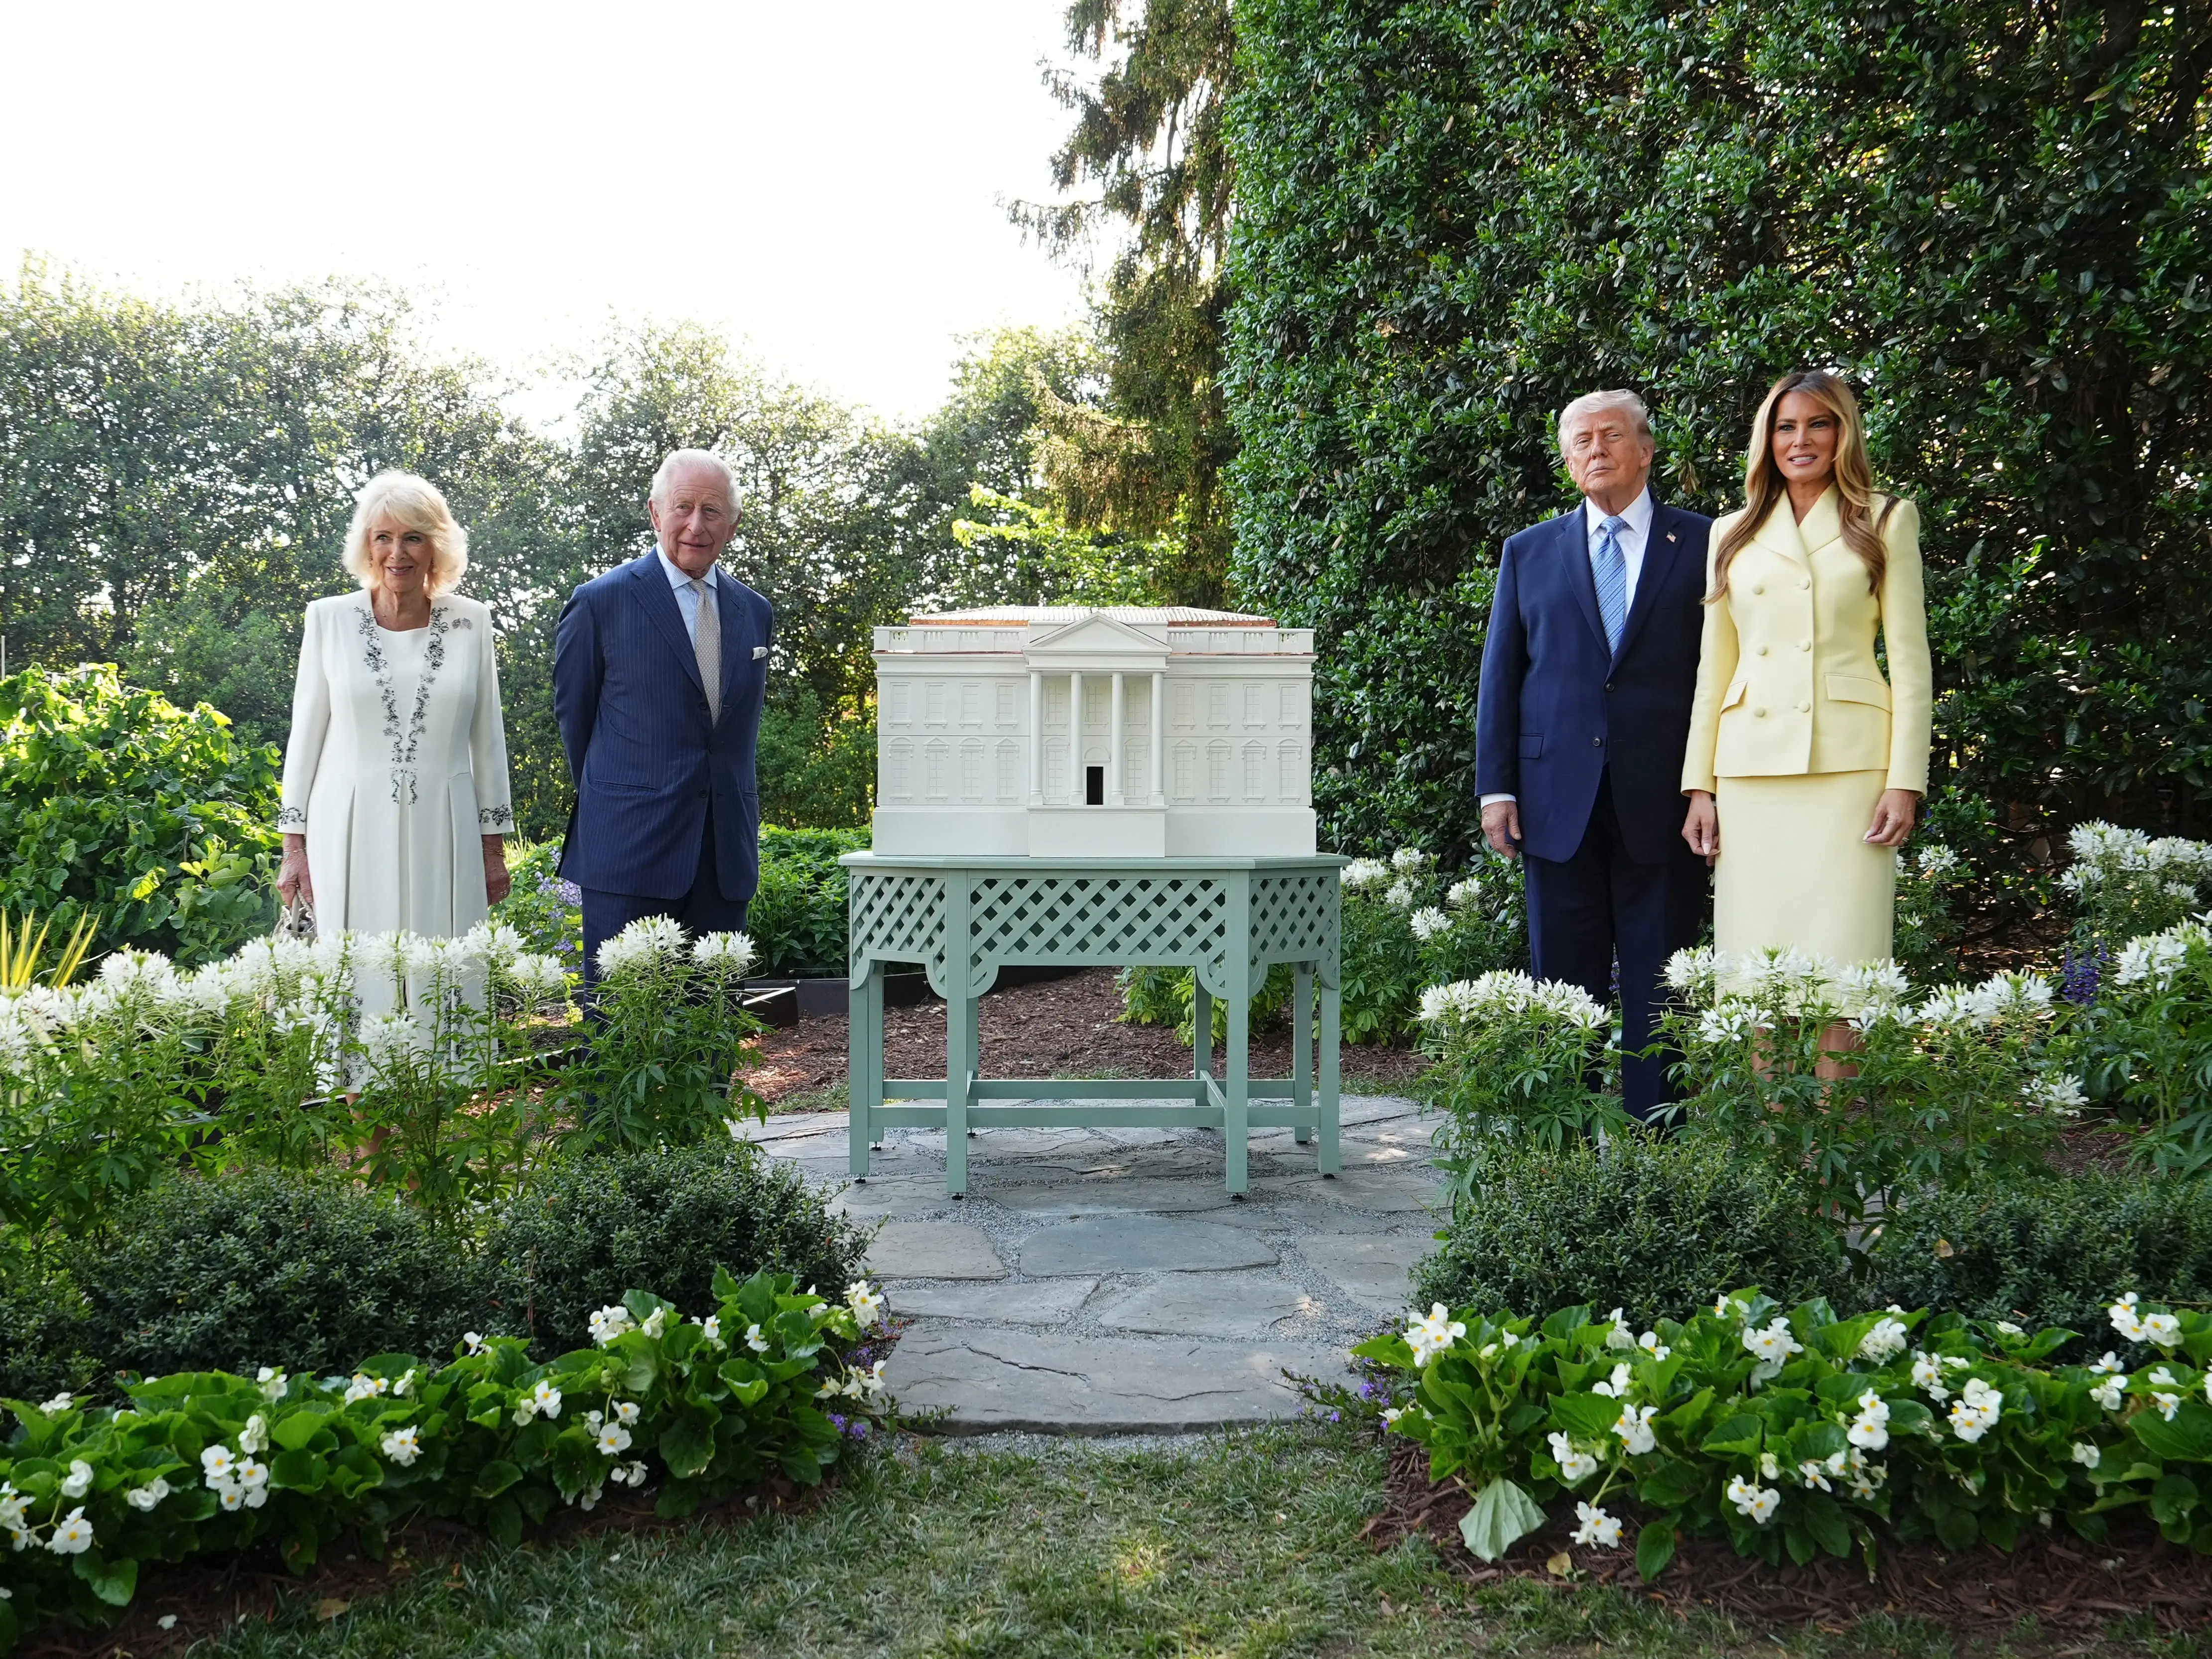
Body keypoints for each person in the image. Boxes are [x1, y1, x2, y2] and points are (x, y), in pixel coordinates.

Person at [1476, 390, 1715, 1124]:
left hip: (1664, 800)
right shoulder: (1529, 551)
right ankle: (1565, 1153)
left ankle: (1659, 1151)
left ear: (1646, 449)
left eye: (1611, 435)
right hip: (1554, 803)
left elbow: (1722, 670)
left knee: (1660, 986)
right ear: (1567, 458)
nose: (1595, 449)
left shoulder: (1706, 542)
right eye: (1580, 440)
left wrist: (1709, 785)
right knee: (1563, 987)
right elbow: (1501, 673)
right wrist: (1496, 788)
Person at [1679, 369, 1931, 968]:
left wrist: (1905, 780)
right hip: (1749, 769)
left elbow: (1909, 660)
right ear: (1766, 440)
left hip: (1849, 767)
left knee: (1845, 964)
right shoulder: (1729, 533)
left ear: (1843, 433)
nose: (1801, 440)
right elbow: (1714, 671)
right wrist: (1699, 787)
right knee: (1756, 972)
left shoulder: (1886, 518)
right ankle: (1764, 1070)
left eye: (1818, 423)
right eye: (1785, 426)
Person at [274, 471, 514, 1007]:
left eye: (413, 537)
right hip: (347, 831)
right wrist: (294, 847)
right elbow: (305, 734)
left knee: (443, 977)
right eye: (383, 537)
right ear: (367, 546)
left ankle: (441, 1088)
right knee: (356, 979)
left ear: (437, 547)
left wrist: (492, 847)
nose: (396, 552)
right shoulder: (328, 620)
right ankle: (357, 1093)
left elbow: (488, 738)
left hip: (446, 831)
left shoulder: (471, 623)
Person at [553, 449, 773, 984]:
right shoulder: (599, 603)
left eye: (712, 511)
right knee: (621, 1032)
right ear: (655, 513)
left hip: (724, 859)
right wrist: (631, 794)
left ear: (734, 523)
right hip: (628, 852)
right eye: (683, 507)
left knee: (712, 1028)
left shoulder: (755, 612)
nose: (696, 525)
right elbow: (575, 721)